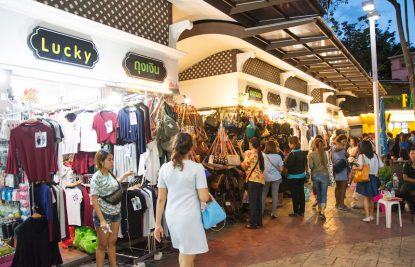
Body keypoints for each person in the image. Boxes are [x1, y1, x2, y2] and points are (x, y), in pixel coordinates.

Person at [154, 133, 210, 267]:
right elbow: (204, 197)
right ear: (191, 148)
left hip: (172, 215)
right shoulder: (197, 168)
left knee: (185, 252)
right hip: (189, 216)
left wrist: (157, 224)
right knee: (187, 253)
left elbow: (161, 199)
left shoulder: (164, 168)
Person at [91, 149, 135, 267]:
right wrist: (102, 220)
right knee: (102, 245)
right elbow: (94, 199)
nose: (112, 162)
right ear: (101, 161)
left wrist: (125, 175)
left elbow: (113, 185)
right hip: (103, 214)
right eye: (109, 160)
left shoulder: (110, 173)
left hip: (116, 213)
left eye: (112, 159)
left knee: (112, 242)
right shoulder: (96, 177)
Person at [354, 140, 384, 222]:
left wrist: (354, 168)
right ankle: (371, 215)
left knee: (366, 198)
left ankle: (367, 216)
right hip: (374, 178)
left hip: (365, 178)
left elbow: (360, 168)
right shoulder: (376, 156)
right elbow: (382, 166)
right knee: (371, 198)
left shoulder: (362, 156)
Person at [241, 137, 265, 229]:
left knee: (253, 202)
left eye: (250, 143)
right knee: (258, 202)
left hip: (253, 180)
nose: (249, 144)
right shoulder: (260, 154)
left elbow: (244, 166)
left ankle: (253, 223)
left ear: (252, 144)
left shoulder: (250, 153)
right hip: (260, 180)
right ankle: (259, 221)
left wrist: (240, 163)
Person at [285, 136, 307, 217]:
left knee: (295, 195)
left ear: (293, 144)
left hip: (293, 177)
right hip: (302, 176)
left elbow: (289, 166)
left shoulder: (292, 154)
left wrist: (285, 163)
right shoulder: (302, 153)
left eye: (289, 143)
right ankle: (302, 211)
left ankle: (296, 211)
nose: (288, 144)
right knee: (301, 193)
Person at [262, 141, 284, 219]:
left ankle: (261, 211)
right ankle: (273, 212)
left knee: (264, 193)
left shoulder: (263, 155)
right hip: (276, 177)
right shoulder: (278, 156)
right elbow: (281, 169)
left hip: (266, 177)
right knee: (275, 195)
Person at [308, 138, 329, 220]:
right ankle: (322, 212)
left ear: (315, 145)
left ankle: (319, 210)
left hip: (315, 175)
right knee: (324, 193)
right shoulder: (324, 153)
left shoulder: (311, 154)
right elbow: (326, 163)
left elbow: (311, 166)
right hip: (324, 175)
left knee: (319, 193)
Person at [332, 135, 350, 211]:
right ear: (340, 140)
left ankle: (337, 203)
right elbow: (346, 155)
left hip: (336, 169)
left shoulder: (333, 147)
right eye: (344, 140)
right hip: (342, 170)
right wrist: (344, 146)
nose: (345, 142)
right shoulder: (341, 147)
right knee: (342, 187)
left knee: (338, 187)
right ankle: (341, 205)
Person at [401, 147, 415, 214]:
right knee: (403, 191)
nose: (413, 155)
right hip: (409, 183)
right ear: (409, 155)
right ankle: (412, 204)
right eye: (412, 153)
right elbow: (405, 177)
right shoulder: (407, 164)